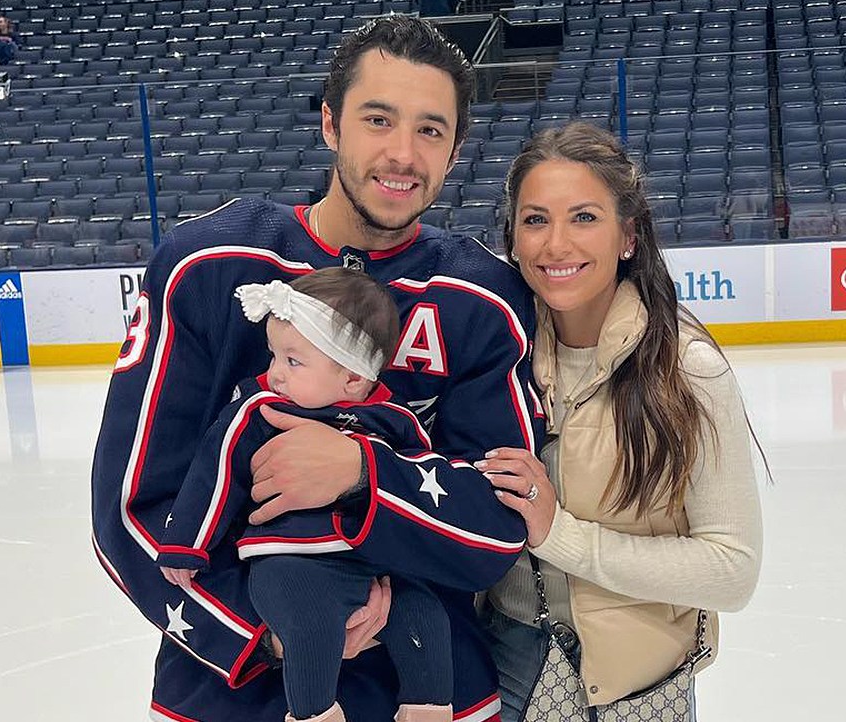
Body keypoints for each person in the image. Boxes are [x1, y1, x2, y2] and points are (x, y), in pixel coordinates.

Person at [90, 14, 543, 722]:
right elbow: (133, 505)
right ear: (330, 125)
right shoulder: (210, 267)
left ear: (455, 152)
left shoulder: (481, 299)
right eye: (377, 119)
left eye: (430, 130)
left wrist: (362, 472)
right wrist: (271, 633)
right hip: (228, 692)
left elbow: (496, 526)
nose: (401, 153)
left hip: (427, 688)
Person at [478, 122, 764, 720]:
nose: (556, 244)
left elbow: (731, 570)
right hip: (506, 669)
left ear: (628, 235)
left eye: (584, 217)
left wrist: (559, 535)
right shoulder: (494, 356)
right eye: (535, 220)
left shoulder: (688, 370)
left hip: (640, 683)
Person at [158, 268, 454, 722]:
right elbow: (215, 471)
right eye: (274, 356)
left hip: (373, 566)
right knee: (311, 629)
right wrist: (186, 542)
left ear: (353, 380)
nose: (274, 373)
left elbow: (420, 483)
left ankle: (427, 709)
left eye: (293, 362)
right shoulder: (261, 410)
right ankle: (315, 715)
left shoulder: (394, 421)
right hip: (290, 562)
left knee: (425, 616)